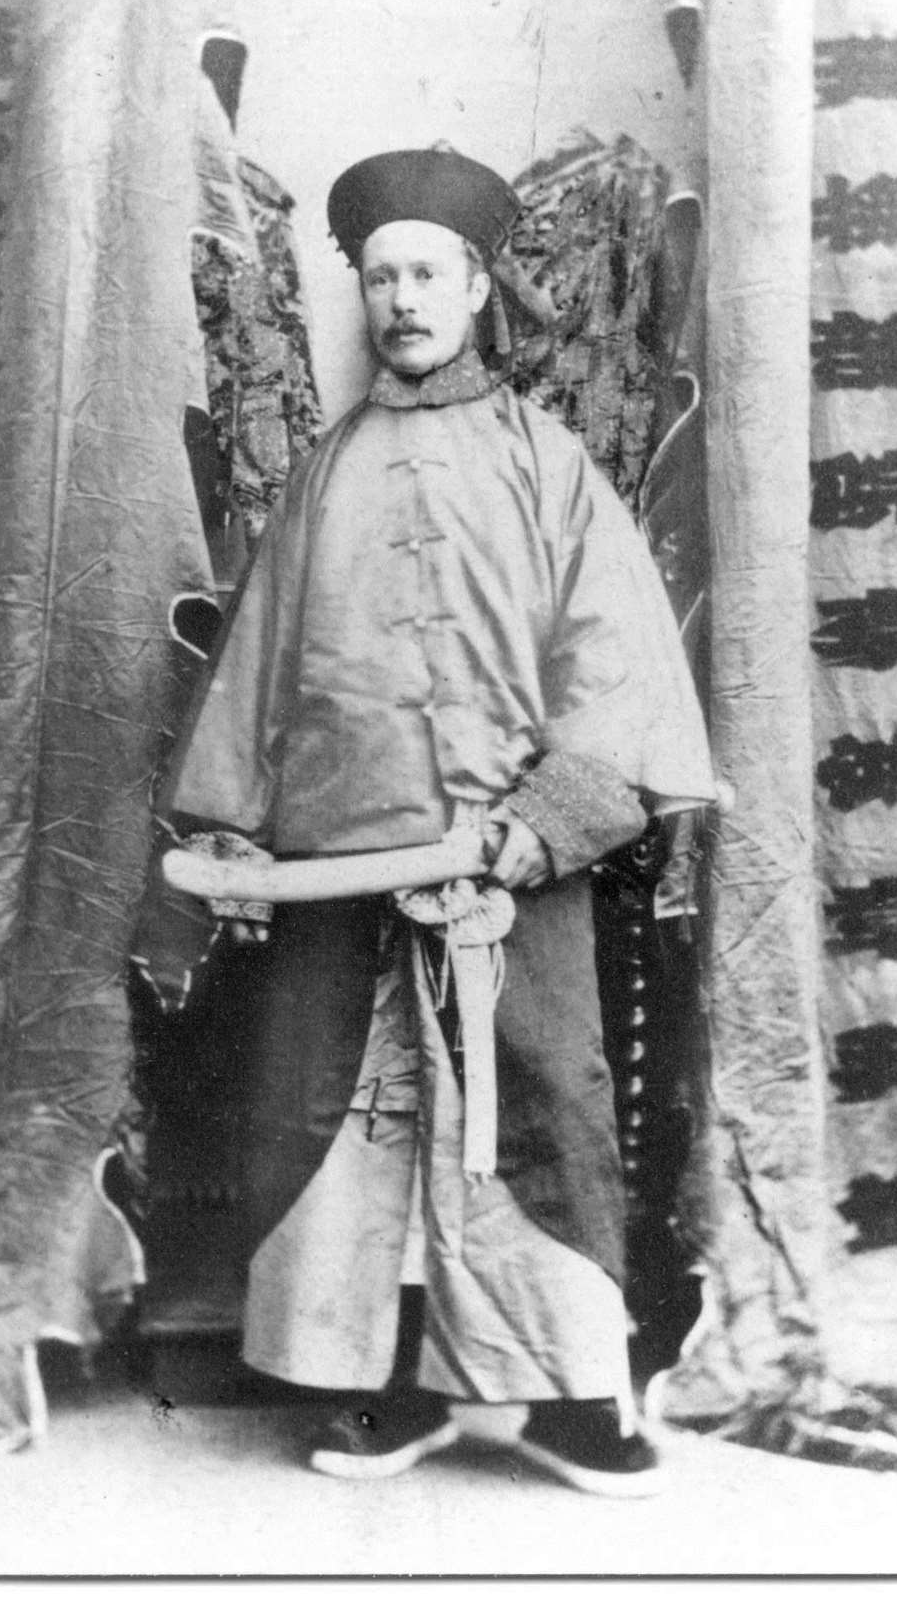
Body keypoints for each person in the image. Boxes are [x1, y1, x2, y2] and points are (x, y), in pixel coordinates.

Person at [158, 147, 716, 1497]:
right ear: (367, 293)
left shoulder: (549, 464)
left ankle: (573, 1391)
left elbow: (617, 663)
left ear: (477, 286)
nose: (405, 297)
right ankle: (388, 1379)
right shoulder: (321, 479)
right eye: (383, 275)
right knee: (350, 1125)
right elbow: (259, 675)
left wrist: (551, 817)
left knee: (543, 1101)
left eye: (429, 272)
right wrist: (228, 832)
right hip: (342, 869)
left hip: (509, 863)